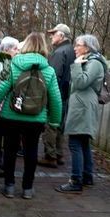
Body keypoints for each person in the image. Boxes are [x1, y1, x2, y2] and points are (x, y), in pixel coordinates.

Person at [0, 32, 62, 199]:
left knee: (10, 150)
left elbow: (0, 91)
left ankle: (9, 187)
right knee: (31, 151)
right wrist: (54, 121)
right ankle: (27, 189)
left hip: (11, 116)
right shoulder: (49, 70)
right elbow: (55, 99)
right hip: (36, 118)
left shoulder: (14, 65)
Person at [55, 34, 107, 193]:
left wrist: (76, 65)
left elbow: (81, 82)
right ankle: (87, 177)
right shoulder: (92, 61)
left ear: (88, 47)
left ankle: (75, 180)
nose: (75, 48)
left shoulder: (94, 63)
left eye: (78, 45)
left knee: (75, 142)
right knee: (83, 142)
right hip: (83, 105)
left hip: (83, 106)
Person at [38, 23, 76, 168]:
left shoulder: (60, 52)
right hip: (65, 93)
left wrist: (46, 96)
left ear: (61, 35)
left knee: (50, 125)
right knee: (59, 125)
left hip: (56, 94)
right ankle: (59, 154)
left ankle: (50, 156)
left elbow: (52, 76)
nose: (51, 36)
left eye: (54, 34)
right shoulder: (71, 50)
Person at [0, 36, 19, 177]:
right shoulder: (1, 63)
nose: (18, 51)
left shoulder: (6, 62)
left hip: (1, 108)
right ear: (6, 50)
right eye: (15, 48)